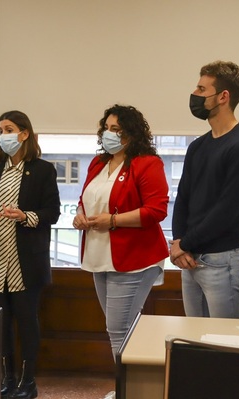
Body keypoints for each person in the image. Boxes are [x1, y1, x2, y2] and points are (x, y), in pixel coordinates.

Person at [73, 104, 169, 360]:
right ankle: (129, 390)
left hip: (134, 258)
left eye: (116, 129)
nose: (109, 134)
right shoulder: (98, 163)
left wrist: (113, 220)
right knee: (119, 329)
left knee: (119, 331)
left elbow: (156, 211)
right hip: (99, 256)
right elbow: (87, 199)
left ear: (131, 133)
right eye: (106, 128)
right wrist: (80, 215)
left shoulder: (147, 163)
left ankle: (127, 392)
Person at [0, 110, 60, 399]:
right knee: (0, 323)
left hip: (26, 260)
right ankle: (7, 378)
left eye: (9, 129)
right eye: (0, 130)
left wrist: (25, 216)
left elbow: (53, 213)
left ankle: (28, 381)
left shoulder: (42, 169)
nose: (3, 136)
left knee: (26, 321)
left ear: (24, 134)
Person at [170, 61, 239, 318]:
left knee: (223, 346)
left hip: (223, 261)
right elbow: (183, 197)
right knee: (195, 343)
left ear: (223, 96)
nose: (195, 95)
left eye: (201, 89)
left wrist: (184, 244)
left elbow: (227, 212)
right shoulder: (198, 146)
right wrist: (179, 243)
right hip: (190, 256)